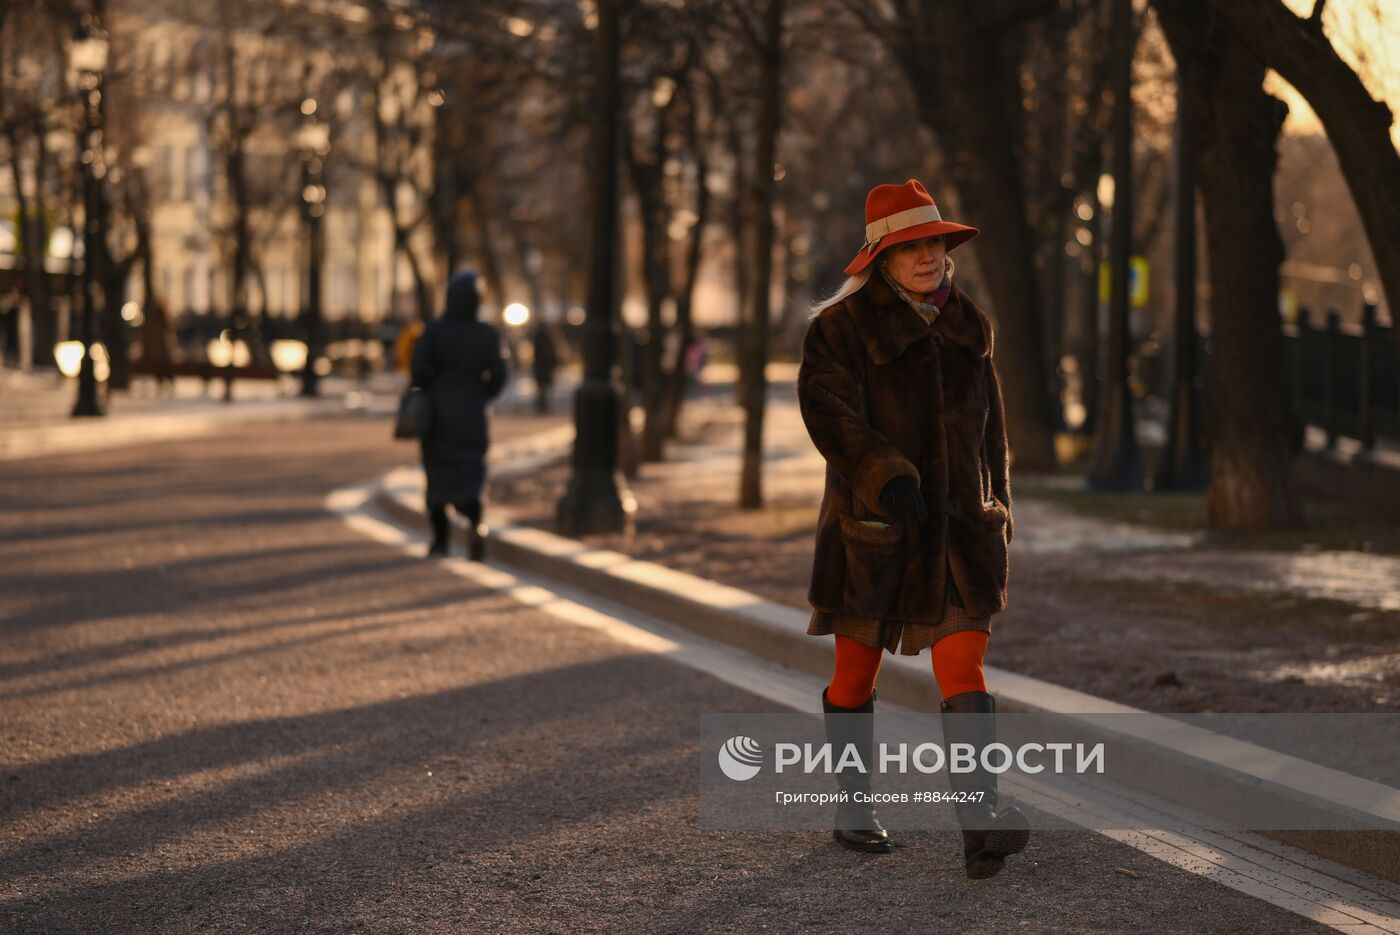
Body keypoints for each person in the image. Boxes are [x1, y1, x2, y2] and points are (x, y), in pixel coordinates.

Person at [797, 179, 1028, 879]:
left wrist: (998, 509)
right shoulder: (838, 331)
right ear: (880, 257)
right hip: (874, 531)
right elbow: (828, 414)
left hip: (959, 534)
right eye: (911, 246)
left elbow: (993, 435)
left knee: (963, 666)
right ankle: (854, 805)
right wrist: (884, 473)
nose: (929, 255)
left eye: (935, 242)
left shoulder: (970, 326)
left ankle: (980, 820)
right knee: (854, 673)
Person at [410, 271, 509, 559]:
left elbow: (418, 370)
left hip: (438, 417)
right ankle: (476, 524)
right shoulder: (486, 334)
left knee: (437, 475)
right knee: (472, 472)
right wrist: (482, 393)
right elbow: (499, 375)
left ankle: (440, 541)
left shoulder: (435, 331)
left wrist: (432, 385)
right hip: (472, 414)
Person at [529, 320, 557, 414]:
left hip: (542, 367)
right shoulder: (546, 338)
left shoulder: (540, 338)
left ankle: (542, 405)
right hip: (544, 367)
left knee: (542, 387)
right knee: (543, 387)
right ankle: (542, 405)